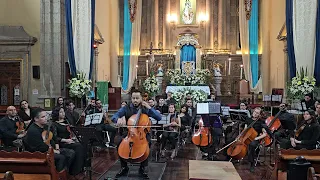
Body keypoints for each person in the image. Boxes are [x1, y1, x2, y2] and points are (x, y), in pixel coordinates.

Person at [111, 89, 162, 179]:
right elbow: (114, 116)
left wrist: (150, 108)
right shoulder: (126, 108)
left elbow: (159, 117)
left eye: (137, 98)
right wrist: (117, 119)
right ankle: (124, 167)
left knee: (148, 143)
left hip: (142, 133)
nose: (135, 100)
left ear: (141, 98)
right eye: (133, 98)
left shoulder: (146, 108)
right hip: (129, 132)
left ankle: (143, 167)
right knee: (119, 142)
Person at [24, 108, 75, 172]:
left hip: (51, 149)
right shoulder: (33, 131)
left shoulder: (45, 126)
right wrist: (55, 151)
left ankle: (64, 173)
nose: (46, 118)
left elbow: (53, 137)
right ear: (36, 119)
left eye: (46, 116)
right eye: (43, 117)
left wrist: (57, 146)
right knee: (61, 157)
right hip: (40, 153)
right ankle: (56, 175)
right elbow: (40, 147)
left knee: (71, 153)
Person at [243, 107, 271, 172]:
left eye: (257, 113)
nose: (255, 114)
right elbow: (245, 129)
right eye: (255, 112)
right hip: (247, 136)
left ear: (259, 115)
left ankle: (252, 163)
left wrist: (256, 138)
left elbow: (265, 134)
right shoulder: (248, 119)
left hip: (256, 138)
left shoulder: (261, 122)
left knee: (252, 144)